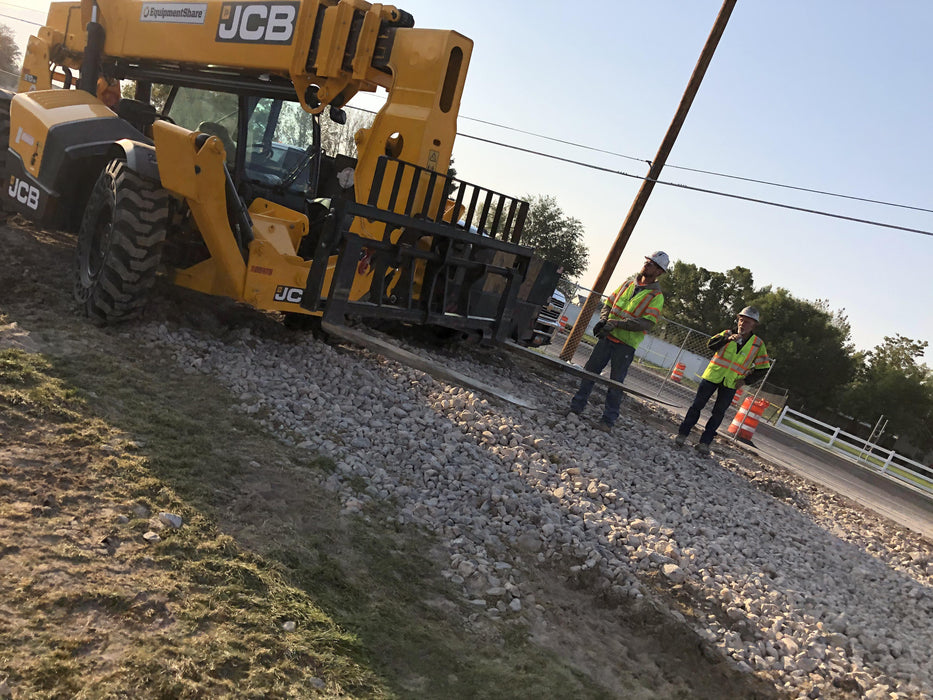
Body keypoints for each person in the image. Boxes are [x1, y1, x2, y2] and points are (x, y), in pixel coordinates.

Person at [569, 250, 669, 431]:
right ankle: (576, 408)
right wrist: (605, 320)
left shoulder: (656, 297)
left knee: (615, 384)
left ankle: (608, 421)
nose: (647, 264)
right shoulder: (627, 284)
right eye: (647, 261)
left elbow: (646, 323)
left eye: (652, 264)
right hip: (608, 337)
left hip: (625, 345)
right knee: (589, 373)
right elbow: (609, 303)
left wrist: (617, 324)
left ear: (659, 272)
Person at [675, 306, 771, 454]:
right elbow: (710, 345)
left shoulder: (758, 344)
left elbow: (763, 368)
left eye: (747, 322)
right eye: (741, 320)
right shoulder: (727, 333)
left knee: (718, 413)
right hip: (712, 376)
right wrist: (726, 340)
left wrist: (745, 381)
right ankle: (682, 434)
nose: (742, 324)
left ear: (754, 325)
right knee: (697, 405)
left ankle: (705, 443)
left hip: (731, 382)